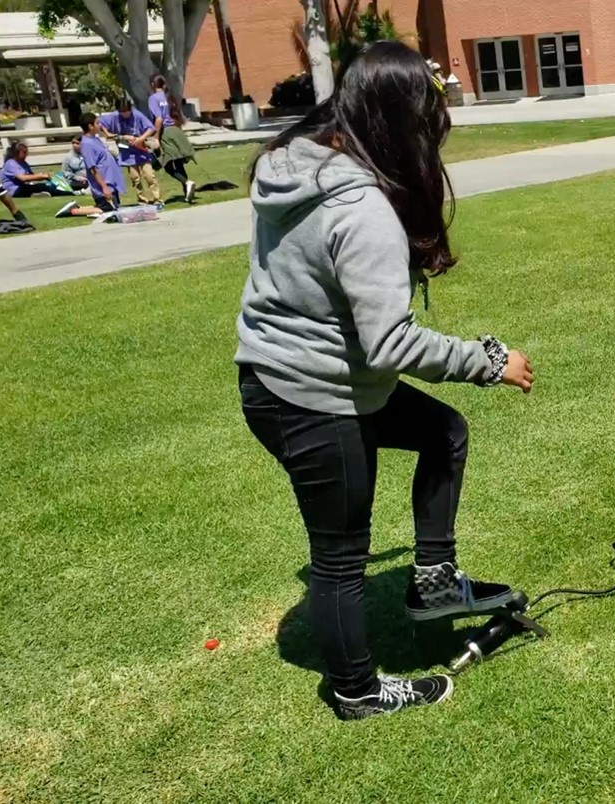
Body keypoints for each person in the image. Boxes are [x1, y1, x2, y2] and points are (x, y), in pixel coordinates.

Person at [236, 41, 536, 721]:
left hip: (297, 378)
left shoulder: (298, 161)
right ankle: (357, 691)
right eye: (428, 116)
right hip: (309, 396)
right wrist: (491, 362)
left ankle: (432, 581)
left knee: (442, 431)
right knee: (341, 556)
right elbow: (390, 342)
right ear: (399, 120)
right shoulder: (359, 208)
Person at [98, 98, 162, 207]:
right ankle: (142, 200)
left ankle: (157, 199)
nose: (125, 113)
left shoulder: (137, 115)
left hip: (141, 150)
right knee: (135, 178)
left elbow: (151, 128)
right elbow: (100, 123)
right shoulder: (114, 116)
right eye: (122, 111)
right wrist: (107, 133)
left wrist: (141, 138)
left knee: (149, 176)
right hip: (127, 153)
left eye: (127, 111)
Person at [149, 75, 197, 202]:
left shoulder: (153, 98)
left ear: (153, 85)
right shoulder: (168, 97)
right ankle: (187, 192)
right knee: (179, 163)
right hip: (176, 130)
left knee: (167, 165)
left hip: (166, 133)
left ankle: (187, 182)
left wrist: (156, 138)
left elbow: (159, 119)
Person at [78, 113, 125, 213]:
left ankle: (80, 208)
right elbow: (93, 169)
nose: (100, 125)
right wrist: (104, 187)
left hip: (111, 183)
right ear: (90, 126)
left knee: (115, 209)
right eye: (97, 123)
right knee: (106, 211)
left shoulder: (96, 139)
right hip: (103, 186)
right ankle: (74, 210)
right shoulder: (86, 144)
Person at [1, 141, 76, 198]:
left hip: (23, 187)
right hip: (13, 190)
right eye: (24, 152)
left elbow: (31, 177)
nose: (26, 154)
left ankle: (67, 191)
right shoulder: (10, 163)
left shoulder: (24, 163)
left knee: (46, 185)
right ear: (17, 152)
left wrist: (46, 176)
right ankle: (69, 193)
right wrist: (41, 176)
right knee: (43, 187)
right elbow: (23, 178)